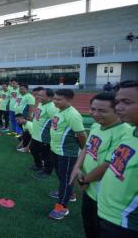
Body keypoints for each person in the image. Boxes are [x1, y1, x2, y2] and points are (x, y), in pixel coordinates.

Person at [68, 92, 131, 238]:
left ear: (117, 111)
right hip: (89, 188)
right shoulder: (96, 126)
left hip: (106, 195)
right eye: (93, 109)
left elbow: (108, 165)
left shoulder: (124, 132)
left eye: (102, 111)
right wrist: (77, 168)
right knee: (88, 224)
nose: (95, 114)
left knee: (101, 228)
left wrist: (85, 179)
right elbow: (86, 147)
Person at [96, 80, 138, 237]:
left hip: (125, 225)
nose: (118, 107)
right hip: (107, 213)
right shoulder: (131, 133)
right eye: (117, 102)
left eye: (126, 102)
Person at [48, 89, 87, 220]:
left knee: (66, 179)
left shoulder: (73, 114)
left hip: (67, 153)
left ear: (69, 100)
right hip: (56, 150)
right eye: (54, 98)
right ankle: (69, 194)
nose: (55, 101)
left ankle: (62, 207)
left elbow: (81, 134)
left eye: (59, 99)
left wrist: (83, 150)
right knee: (61, 176)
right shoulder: (59, 111)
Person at [31, 87, 59, 179]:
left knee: (46, 155)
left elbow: (55, 123)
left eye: (42, 96)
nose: (39, 97)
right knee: (33, 149)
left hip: (44, 137)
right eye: (38, 95)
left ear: (50, 97)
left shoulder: (51, 107)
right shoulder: (41, 104)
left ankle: (47, 172)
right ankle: (38, 165)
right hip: (36, 135)